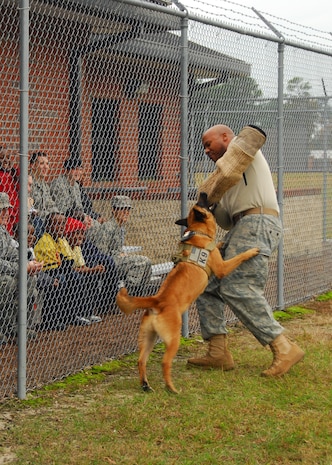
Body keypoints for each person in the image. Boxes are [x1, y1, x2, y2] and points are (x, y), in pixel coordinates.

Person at [188, 124, 304, 377]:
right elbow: (227, 222)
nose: (206, 150)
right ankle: (218, 352)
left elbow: (252, 134)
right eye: (203, 147)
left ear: (226, 137)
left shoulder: (243, 150)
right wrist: (209, 202)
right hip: (240, 226)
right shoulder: (223, 179)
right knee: (206, 285)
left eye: (209, 144)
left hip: (259, 221)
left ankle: (283, 347)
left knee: (238, 287)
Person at [33, 212, 92, 329]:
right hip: (46, 272)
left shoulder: (61, 240)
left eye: (63, 224)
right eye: (57, 224)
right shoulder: (45, 240)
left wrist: (65, 264)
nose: (60, 227)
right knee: (61, 279)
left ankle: (70, 315)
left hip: (59, 269)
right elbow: (54, 266)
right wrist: (65, 264)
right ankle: (50, 320)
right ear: (48, 227)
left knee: (76, 278)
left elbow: (68, 260)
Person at [0, 193, 43, 343]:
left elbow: (14, 252)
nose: (6, 213)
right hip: (4, 274)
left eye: (7, 209)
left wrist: (29, 262)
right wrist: (21, 267)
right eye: (2, 210)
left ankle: (14, 325)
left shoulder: (3, 231)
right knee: (8, 282)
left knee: (30, 278)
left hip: (9, 270)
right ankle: (3, 326)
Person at [88, 195, 152, 292]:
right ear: (114, 210)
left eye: (128, 209)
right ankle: (128, 293)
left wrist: (121, 255)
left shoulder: (121, 228)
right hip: (109, 263)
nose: (126, 212)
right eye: (122, 209)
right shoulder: (108, 227)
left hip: (118, 260)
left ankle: (141, 294)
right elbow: (101, 252)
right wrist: (118, 256)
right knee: (141, 261)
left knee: (147, 263)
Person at [29, 152, 60, 231]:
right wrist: (49, 216)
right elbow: (30, 210)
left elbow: (51, 204)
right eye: (42, 163)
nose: (46, 167)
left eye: (47, 164)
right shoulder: (28, 182)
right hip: (34, 223)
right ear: (33, 166)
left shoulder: (45, 185)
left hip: (47, 221)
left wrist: (57, 215)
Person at [0, 144, 19, 235]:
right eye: (2, 157)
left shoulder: (12, 175)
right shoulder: (3, 177)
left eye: (8, 157)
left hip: (15, 214)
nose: (6, 160)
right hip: (8, 216)